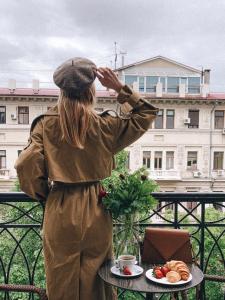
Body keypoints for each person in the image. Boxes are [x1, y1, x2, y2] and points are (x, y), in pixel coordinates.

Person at [15, 57, 159, 300]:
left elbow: (24, 164)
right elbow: (145, 113)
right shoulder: (105, 124)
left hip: (60, 204)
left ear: (62, 90)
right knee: (98, 275)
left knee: (61, 275)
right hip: (96, 204)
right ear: (90, 89)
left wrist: (44, 194)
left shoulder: (45, 124)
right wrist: (119, 88)